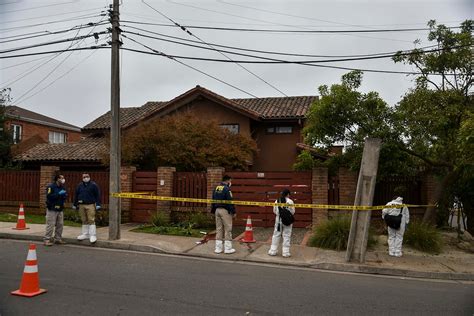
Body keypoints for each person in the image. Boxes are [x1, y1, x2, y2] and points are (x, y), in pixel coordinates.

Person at [73, 173, 101, 243]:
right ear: (82, 178)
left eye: (87, 176)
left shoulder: (93, 185)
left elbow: (97, 195)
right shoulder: (79, 185)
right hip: (81, 205)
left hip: (90, 204)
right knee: (84, 219)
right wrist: (75, 204)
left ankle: (92, 235)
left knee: (91, 219)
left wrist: (98, 204)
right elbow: (76, 195)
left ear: (89, 177)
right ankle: (85, 234)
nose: (86, 178)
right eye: (84, 177)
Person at [211, 175, 236, 254]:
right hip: (225, 211)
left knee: (219, 229)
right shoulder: (227, 189)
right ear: (228, 181)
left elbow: (213, 200)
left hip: (217, 210)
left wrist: (213, 211)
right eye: (230, 181)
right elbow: (230, 202)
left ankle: (218, 248)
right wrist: (233, 212)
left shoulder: (216, 188)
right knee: (228, 229)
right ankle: (228, 248)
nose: (230, 183)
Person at [268, 188, 295, 257]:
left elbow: (274, 211)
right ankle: (285, 252)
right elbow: (293, 212)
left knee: (276, 234)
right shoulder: (290, 201)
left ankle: (273, 251)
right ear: (288, 194)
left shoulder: (277, 201)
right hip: (287, 221)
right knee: (286, 235)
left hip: (278, 220)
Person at [44, 174, 67, 246]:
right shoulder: (51, 187)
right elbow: (49, 196)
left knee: (60, 224)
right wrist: (59, 194)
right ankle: (47, 239)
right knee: (51, 224)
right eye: (61, 178)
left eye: (63, 178)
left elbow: (64, 196)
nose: (63, 179)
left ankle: (58, 239)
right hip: (52, 208)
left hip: (60, 208)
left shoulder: (62, 187)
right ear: (57, 179)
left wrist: (64, 196)